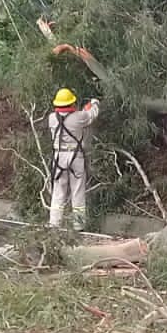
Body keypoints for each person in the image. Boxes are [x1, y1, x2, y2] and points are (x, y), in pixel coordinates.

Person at [48, 88, 100, 229]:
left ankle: (54, 225)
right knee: (77, 191)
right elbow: (90, 115)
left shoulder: (52, 118)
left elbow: (72, 117)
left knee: (58, 193)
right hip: (75, 157)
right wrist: (94, 104)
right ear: (72, 103)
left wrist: (82, 111)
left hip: (58, 157)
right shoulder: (79, 116)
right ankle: (79, 226)